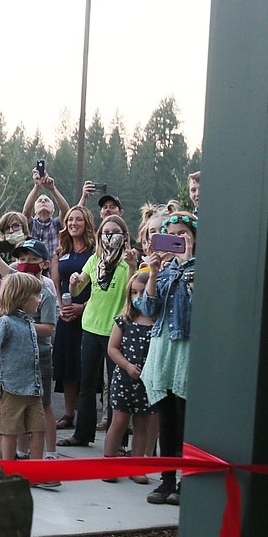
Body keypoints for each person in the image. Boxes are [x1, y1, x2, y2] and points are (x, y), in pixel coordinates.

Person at [136, 212, 198, 506]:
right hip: (162, 348)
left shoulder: (199, 268)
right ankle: (167, 479)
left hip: (186, 348)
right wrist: (153, 272)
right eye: (172, 235)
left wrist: (187, 265)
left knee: (186, 416)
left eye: (184, 234)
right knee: (166, 418)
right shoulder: (163, 269)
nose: (179, 240)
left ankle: (187, 479)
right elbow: (148, 309)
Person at [59, 214, 136, 448]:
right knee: (87, 384)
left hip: (116, 330)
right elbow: (80, 284)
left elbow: (134, 291)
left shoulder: (127, 262)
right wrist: (73, 282)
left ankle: (118, 441)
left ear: (124, 237)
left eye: (114, 232)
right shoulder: (95, 260)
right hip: (91, 326)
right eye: (105, 232)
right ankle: (82, 433)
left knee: (115, 386)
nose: (109, 237)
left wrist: (133, 266)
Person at [101, 271, 156, 485]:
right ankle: (109, 464)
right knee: (119, 422)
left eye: (143, 292)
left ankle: (136, 467)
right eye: (134, 292)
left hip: (147, 382)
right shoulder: (124, 320)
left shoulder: (157, 321)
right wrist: (127, 366)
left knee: (142, 425)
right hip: (124, 379)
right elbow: (113, 348)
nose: (138, 296)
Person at [0, 271, 44, 461]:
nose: (39, 299)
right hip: (10, 388)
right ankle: (8, 470)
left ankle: (37, 468)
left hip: (32, 388)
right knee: (10, 432)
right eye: (36, 295)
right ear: (23, 298)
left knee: (39, 429)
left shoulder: (29, 323)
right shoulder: (5, 322)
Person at [52, 205, 96, 428]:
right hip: (65, 315)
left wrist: (83, 308)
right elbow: (56, 284)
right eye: (70, 219)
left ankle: (85, 416)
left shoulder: (96, 253)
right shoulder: (60, 252)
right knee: (67, 366)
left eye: (78, 219)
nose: (73, 223)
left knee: (84, 366)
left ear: (87, 223)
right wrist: (61, 306)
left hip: (90, 315)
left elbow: (101, 288)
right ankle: (68, 414)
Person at [22, 167, 71, 255]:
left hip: (53, 267)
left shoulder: (57, 224)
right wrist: (37, 187)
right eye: (40, 201)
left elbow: (66, 212)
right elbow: (25, 212)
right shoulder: (31, 224)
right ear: (35, 210)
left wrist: (52, 189)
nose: (43, 201)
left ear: (53, 210)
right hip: (33, 266)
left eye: (47, 200)